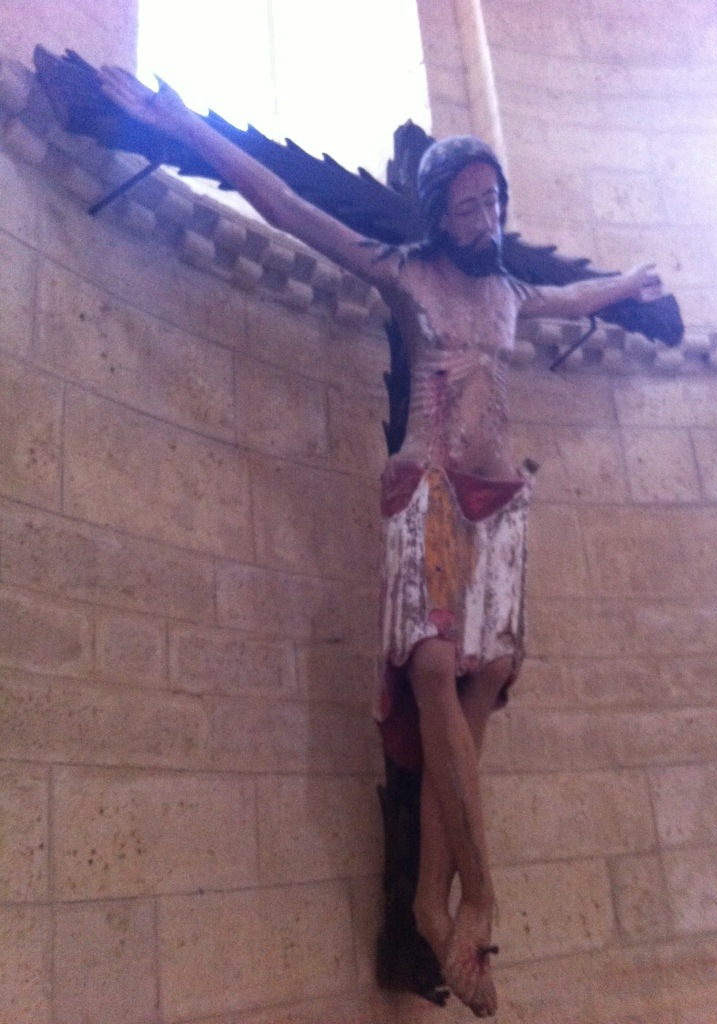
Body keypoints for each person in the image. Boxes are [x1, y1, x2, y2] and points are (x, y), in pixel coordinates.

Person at [99, 68, 662, 1018]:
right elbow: (287, 206)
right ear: (438, 212)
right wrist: (180, 125)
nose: (485, 217)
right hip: (429, 479)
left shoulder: (512, 292)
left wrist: (631, 284)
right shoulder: (404, 272)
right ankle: (479, 897)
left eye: (494, 202)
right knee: (433, 666)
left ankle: (430, 900)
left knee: (485, 676)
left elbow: (578, 299)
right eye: (469, 204)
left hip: (498, 497)